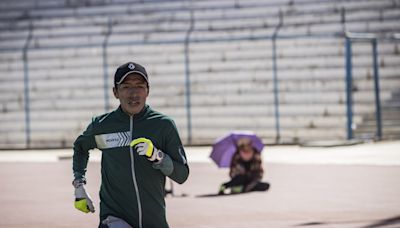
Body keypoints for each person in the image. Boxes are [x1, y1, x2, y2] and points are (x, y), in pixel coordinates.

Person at [72, 61, 189, 228]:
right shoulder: (102, 125)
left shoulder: (163, 125)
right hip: (114, 218)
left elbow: (182, 175)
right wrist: (79, 185)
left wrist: (158, 156)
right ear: (115, 92)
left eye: (140, 86)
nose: (134, 93)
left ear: (148, 91)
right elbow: (80, 147)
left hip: (154, 221)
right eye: (126, 87)